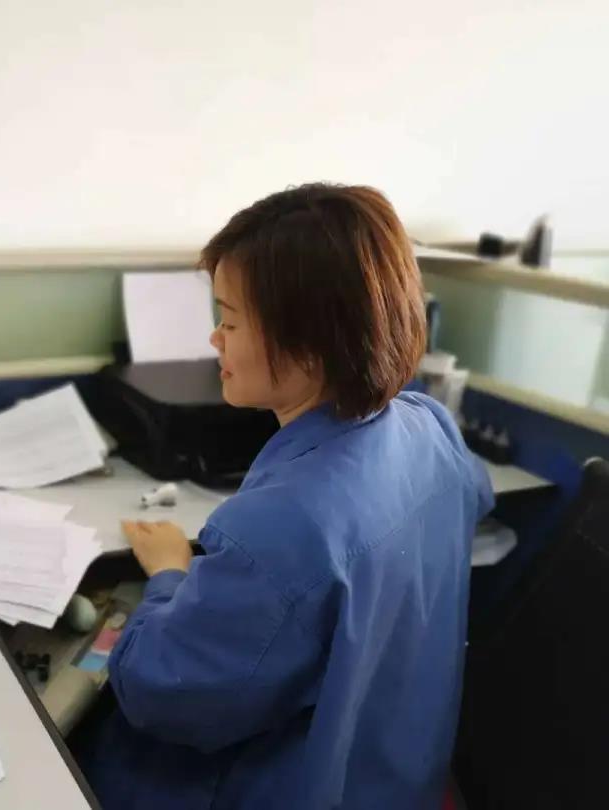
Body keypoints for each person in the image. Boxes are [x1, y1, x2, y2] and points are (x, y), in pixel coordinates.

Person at [74, 184, 493, 809]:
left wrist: (169, 575)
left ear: (308, 344)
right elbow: (471, 498)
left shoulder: (280, 526)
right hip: (397, 778)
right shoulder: (429, 424)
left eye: (230, 320)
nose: (214, 339)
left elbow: (159, 692)